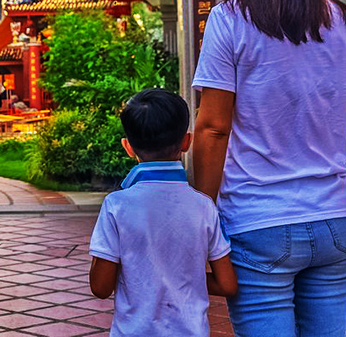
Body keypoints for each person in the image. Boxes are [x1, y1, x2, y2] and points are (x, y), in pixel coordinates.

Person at [191, 0, 346, 337]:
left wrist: (202, 220)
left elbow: (211, 130)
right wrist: (336, 197)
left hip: (258, 223)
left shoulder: (229, 22)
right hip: (334, 222)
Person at [88, 89, 236, 336]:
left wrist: (143, 275)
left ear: (128, 147)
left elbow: (100, 287)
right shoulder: (204, 206)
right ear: (186, 142)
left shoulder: (116, 206)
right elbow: (227, 284)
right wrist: (182, 278)